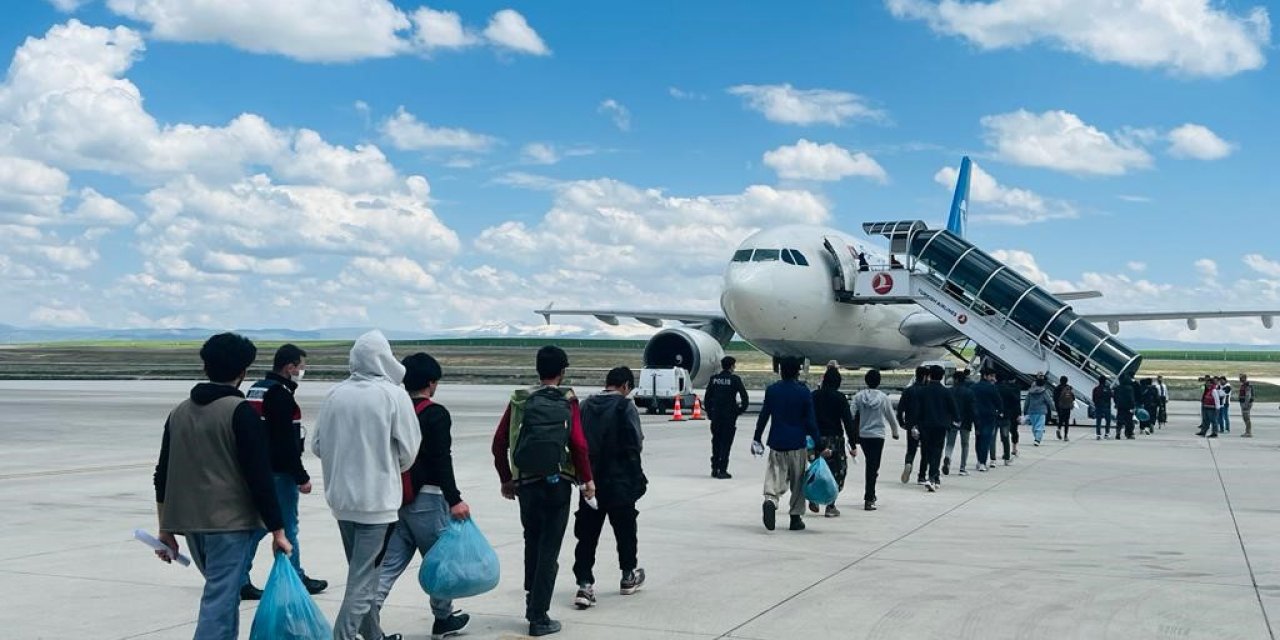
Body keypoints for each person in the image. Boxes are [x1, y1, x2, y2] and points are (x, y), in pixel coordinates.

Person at [151, 333, 291, 640]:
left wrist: (166, 529)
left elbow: (162, 475)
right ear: (242, 372)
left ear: (205, 367)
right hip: (229, 524)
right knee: (219, 599)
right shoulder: (239, 412)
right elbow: (259, 476)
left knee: (222, 596)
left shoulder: (179, 412)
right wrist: (278, 530)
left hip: (190, 524)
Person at [312, 330, 422, 640]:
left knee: (364, 577)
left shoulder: (335, 394)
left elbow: (318, 445)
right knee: (362, 582)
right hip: (377, 503)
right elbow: (409, 450)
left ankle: (374, 635)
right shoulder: (393, 395)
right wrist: (383, 467)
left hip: (342, 501)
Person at [491, 346, 595, 637]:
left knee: (532, 542)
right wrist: (587, 480)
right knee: (550, 549)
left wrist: (506, 478)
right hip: (558, 483)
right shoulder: (567, 400)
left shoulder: (520, 400)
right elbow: (578, 444)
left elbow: (499, 443)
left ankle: (530, 600)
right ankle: (539, 617)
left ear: (538, 369)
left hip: (526, 484)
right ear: (562, 372)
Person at [373, 353, 471, 639]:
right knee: (439, 563)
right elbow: (442, 459)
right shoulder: (435, 414)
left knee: (389, 565)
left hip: (396, 497)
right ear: (431, 383)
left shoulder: (391, 411)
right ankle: (442, 618)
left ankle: (366, 619)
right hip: (428, 499)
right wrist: (454, 499)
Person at [240, 344, 326, 600]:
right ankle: (294, 577)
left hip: (255, 469)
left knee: (256, 527)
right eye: (300, 366)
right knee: (287, 527)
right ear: (289, 367)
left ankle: (239, 576)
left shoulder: (256, 389)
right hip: (278, 472)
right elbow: (284, 442)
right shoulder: (280, 395)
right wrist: (301, 476)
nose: (302, 371)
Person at [572, 367, 648, 610]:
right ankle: (628, 575)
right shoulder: (625, 407)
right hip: (620, 481)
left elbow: (576, 440)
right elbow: (635, 442)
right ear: (625, 385)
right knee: (625, 531)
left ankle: (584, 584)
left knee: (586, 535)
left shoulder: (585, 405)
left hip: (590, 481)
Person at [753, 356, 820, 531]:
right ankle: (795, 518)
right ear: (797, 372)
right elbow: (810, 421)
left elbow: (764, 415)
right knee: (798, 483)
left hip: (777, 441)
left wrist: (757, 437)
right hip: (797, 443)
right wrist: (818, 442)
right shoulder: (803, 392)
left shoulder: (772, 390)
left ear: (781, 371)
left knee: (774, 476)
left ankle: (770, 500)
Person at [810, 365, 858, 517]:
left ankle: (814, 497)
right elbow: (847, 421)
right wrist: (853, 443)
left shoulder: (814, 395)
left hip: (816, 438)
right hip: (834, 439)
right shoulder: (840, 398)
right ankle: (830, 505)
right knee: (837, 471)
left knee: (816, 469)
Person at [851, 369, 899, 511]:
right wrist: (895, 431)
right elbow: (890, 415)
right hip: (878, 436)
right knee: (873, 467)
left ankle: (870, 494)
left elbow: (851, 414)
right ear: (879, 382)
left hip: (864, 435)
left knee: (870, 465)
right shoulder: (883, 397)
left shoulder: (859, 397)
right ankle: (869, 497)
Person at [703, 356, 749, 479]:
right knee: (726, 444)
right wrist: (739, 411)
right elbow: (744, 397)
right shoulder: (735, 380)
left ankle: (714, 467)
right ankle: (722, 469)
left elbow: (707, 398)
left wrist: (709, 412)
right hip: (729, 417)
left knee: (716, 442)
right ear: (731, 366)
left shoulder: (714, 379)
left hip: (716, 416)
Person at [913, 365, 956, 491]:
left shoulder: (922, 391)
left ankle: (933, 476)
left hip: (925, 426)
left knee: (927, 450)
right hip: (940, 426)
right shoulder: (946, 392)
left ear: (930, 375)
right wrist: (956, 419)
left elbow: (918, 409)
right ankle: (933, 477)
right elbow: (953, 408)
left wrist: (915, 424)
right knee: (937, 451)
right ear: (942, 376)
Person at [899, 366, 927, 484]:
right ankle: (921, 476)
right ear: (925, 376)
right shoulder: (927, 391)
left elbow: (900, 409)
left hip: (911, 423)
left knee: (911, 449)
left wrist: (901, 422)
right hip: (925, 424)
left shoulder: (908, 390)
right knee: (925, 451)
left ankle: (908, 463)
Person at [944, 370, 974, 477]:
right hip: (965, 421)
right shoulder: (969, 392)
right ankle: (962, 468)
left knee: (950, 443)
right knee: (965, 444)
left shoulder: (949, 391)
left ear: (955, 380)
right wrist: (975, 422)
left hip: (951, 421)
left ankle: (947, 457)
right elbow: (972, 409)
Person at [972, 370, 1003, 472]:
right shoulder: (992, 388)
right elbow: (998, 402)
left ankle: (978, 460)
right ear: (986, 376)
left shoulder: (974, 387)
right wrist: (1000, 411)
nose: (993, 378)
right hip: (989, 416)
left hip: (977, 416)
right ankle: (982, 462)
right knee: (986, 439)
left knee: (978, 438)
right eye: (992, 376)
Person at [997, 374, 1021, 463]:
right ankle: (1014, 449)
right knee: (1014, 431)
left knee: (1004, 434)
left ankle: (1004, 452)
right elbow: (1017, 402)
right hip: (1013, 413)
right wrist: (1019, 413)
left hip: (1002, 413)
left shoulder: (999, 388)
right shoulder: (1016, 388)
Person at [1023, 377, 1053, 445]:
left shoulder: (1030, 391)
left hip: (1032, 411)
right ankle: (1037, 439)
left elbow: (1027, 402)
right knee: (1040, 425)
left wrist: (1025, 411)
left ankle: (1036, 437)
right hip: (1041, 411)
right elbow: (1049, 401)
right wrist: (1053, 408)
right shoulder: (1044, 392)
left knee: (1034, 426)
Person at [1114, 375, 1137, 440]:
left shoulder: (1117, 388)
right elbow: (1131, 398)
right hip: (1128, 407)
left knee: (1119, 420)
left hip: (1120, 406)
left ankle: (1118, 432)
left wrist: (1116, 404)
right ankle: (1128, 434)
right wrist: (1133, 405)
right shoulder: (1130, 388)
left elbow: (1115, 397)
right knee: (1129, 421)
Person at [1092, 376, 1114, 440]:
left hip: (1099, 406)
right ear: (1105, 381)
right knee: (1108, 421)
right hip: (1107, 406)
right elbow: (1111, 396)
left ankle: (1098, 434)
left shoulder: (1096, 389)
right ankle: (1107, 433)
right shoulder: (1108, 388)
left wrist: (1096, 404)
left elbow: (1094, 398)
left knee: (1098, 421)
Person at [1054, 375, 1075, 441]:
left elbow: (1055, 398)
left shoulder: (1057, 388)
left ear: (1060, 381)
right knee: (1066, 421)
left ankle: (1058, 429)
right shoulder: (1069, 388)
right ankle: (1065, 436)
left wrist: (1057, 406)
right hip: (1067, 407)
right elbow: (1073, 398)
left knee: (1060, 419)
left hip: (1060, 406)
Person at [1238, 374, 1255, 438]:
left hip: (1246, 404)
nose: (1240, 379)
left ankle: (1249, 432)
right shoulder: (1243, 385)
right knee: (1245, 418)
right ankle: (1247, 431)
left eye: (1241, 378)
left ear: (1245, 378)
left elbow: (1248, 396)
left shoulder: (1247, 385)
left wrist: (1246, 404)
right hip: (1243, 403)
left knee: (1246, 418)